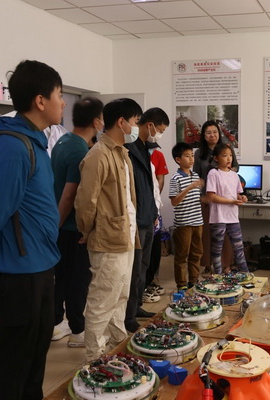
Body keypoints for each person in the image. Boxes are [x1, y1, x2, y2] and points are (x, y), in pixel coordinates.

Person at [0, 60, 64, 400]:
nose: (63, 103)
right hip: (17, 271)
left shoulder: (34, 141)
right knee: (13, 357)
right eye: (59, 95)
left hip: (39, 264)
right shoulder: (12, 146)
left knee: (35, 352)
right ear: (40, 101)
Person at [75, 97, 142, 361]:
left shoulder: (122, 153)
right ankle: (94, 355)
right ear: (122, 122)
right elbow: (86, 201)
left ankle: (117, 342)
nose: (136, 127)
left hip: (126, 235)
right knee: (103, 298)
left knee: (120, 294)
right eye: (135, 121)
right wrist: (86, 230)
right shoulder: (98, 155)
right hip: (107, 238)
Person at [50, 97, 103, 347]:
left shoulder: (62, 142)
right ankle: (78, 331)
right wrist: (60, 226)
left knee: (61, 278)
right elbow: (70, 195)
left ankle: (56, 323)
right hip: (72, 228)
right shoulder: (80, 150)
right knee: (77, 281)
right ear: (97, 121)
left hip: (61, 226)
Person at [124, 107, 169, 333]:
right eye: (159, 130)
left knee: (143, 267)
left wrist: (154, 214)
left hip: (149, 217)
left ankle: (136, 306)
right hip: (137, 219)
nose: (158, 135)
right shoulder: (129, 149)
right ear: (149, 125)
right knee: (134, 269)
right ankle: (128, 316)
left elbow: (152, 186)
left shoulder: (146, 149)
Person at [194, 121, 238, 275]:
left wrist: (228, 171)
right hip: (208, 197)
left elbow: (236, 167)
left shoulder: (227, 148)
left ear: (219, 134)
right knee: (207, 233)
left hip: (225, 197)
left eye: (215, 132)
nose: (212, 135)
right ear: (203, 135)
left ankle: (226, 265)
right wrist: (200, 195)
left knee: (225, 234)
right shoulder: (199, 153)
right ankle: (208, 264)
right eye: (208, 133)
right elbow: (196, 175)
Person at [206, 143, 249, 274]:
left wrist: (242, 198)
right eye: (224, 155)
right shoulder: (213, 173)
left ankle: (246, 274)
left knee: (239, 248)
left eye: (230, 155)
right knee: (217, 249)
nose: (229, 158)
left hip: (232, 217)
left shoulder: (234, 175)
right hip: (218, 217)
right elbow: (211, 196)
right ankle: (218, 276)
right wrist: (231, 201)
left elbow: (236, 194)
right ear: (216, 158)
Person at [169, 142, 204, 289]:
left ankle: (194, 281)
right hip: (183, 224)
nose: (191, 159)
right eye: (187, 156)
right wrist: (189, 187)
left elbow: (197, 198)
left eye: (192, 156)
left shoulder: (195, 175)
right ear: (178, 159)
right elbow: (174, 202)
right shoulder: (175, 178)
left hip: (198, 221)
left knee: (197, 253)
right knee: (182, 255)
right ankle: (182, 284)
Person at [144, 141, 169, 300]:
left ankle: (151, 279)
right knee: (143, 251)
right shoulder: (134, 154)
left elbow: (160, 180)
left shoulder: (158, 155)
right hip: (142, 210)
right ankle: (142, 285)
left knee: (155, 248)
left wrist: (154, 200)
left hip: (155, 208)